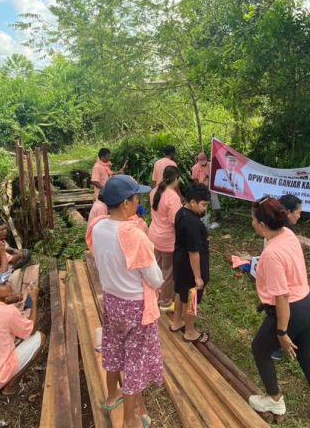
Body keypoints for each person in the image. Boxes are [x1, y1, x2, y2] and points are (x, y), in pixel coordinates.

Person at [86, 175, 164, 428]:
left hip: (112, 300)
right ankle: (130, 421)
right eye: (135, 197)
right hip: (136, 306)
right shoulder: (134, 236)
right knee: (136, 363)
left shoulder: (98, 226)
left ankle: (112, 396)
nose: (139, 201)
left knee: (113, 348)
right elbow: (156, 278)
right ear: (125, 203)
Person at [248, 197, 310, 419]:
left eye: (254, 220)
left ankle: (274, 400)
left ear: (263, 225)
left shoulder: (271, 254)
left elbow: (281, 297)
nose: (252, 223)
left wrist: (282, 332)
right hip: (307, 304)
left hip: (289, 310)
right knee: (305, 352)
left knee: (259, 350)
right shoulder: (288, 234)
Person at [271, 194, 310, 360]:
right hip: (286, 283)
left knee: (288, 312)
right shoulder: (281, 231)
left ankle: (290, 340)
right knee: (286, 312)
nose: (300, 216)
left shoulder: (286, 229)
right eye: (297, 212)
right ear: (287, 212)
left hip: (291, 280)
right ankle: (279, 346)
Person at [170, 183, 211, 343]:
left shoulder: (181, 212)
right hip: (190, 266)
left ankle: (176, 322)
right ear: (193, 202)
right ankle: (190, 331)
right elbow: (193, 252)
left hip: (179, 261)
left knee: (181, 292)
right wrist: (198, 277)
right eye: (203, 204)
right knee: (193, 296)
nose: (204, 209)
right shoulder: (193, 223)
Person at [148, 166, 182, 311]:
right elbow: (175, 221)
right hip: (167, 240)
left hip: (154, 236)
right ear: (175, 179)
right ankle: (166, 302)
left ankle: (155, 295)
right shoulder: (172, 196)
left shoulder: (154, 191)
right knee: (167, 272)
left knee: (156, 268)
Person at [191, 151, 221, 227]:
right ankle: (202, 220)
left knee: (215, 203)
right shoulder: (195, 168)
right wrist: (200, 187)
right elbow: (194, 179)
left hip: (211, 188)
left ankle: (218, 218)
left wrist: (210, 179)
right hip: (202, 189)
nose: (203, 164)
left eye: (204, 162)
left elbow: (216, 175)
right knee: (202, 205)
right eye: (201, 163)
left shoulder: (211, 165)